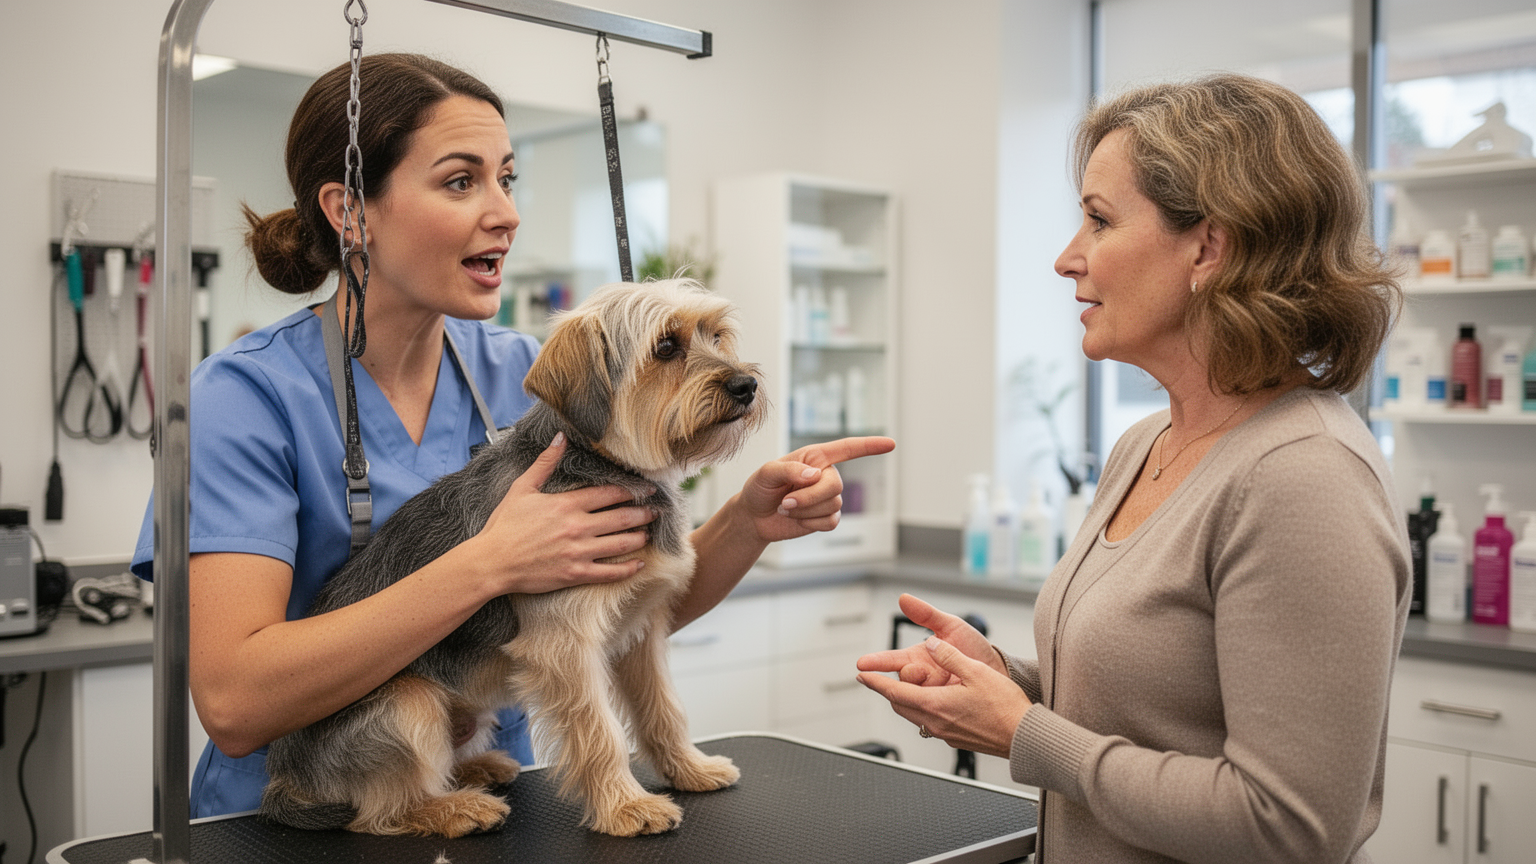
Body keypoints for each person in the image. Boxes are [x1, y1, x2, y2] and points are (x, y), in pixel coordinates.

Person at [130, 53, 893, 819]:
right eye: (462, 181)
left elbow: (610, 617)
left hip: (508, 800)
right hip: (295, 812)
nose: (506, 212)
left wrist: (750, 523)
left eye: (508, 178)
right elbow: (234, 705)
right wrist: (490, 563)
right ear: (351, 212)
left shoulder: (522, 373)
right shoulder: (243, 399)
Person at [857, 73, 1408, 864]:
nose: (1066, 259)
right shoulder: (1146, 443)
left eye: (1098, 221)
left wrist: (1021, 731)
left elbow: (1288, 829)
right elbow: (1156, 709)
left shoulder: (1303, 476)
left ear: (1209, 247)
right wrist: (1005, 681)